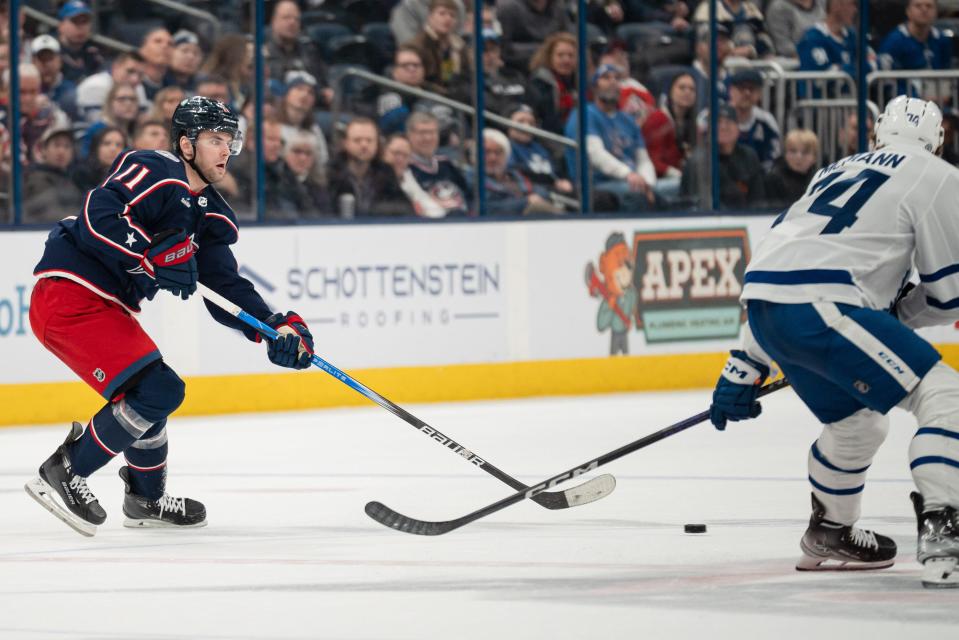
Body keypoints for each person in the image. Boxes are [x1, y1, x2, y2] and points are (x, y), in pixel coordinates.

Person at [25, 96, 315, 537]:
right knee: (159, 389)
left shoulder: (211, 214)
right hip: (70, 292)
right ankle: (66, 470)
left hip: (107, 305)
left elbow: (225, 289)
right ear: (185, 144)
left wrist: (273, 327)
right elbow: (97, 214)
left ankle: (145, 499)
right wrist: (147, 254)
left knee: (149, 395)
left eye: (229, 141)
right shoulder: (154, 168)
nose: (225, 150)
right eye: (214, 139)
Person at [708, 96, 959, 589]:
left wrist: (743, 364)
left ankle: (830, 531)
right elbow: (947, 297)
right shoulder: (937, 174)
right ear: (938, 139)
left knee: (856, 423)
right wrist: (894, 317)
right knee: (946, 398)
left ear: (876, 134)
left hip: (766, 310)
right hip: (826, 307)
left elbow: (783, 266)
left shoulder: (831, 170)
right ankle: (944, 527)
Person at [564, 64, 658, 212]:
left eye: (616, 78)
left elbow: (643, 159)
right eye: (606, 78)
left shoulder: (628, 120)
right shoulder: (584, 114)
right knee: (637, 198)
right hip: (598, 185)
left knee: (669, 193)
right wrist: (628, 174)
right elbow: (596, 155)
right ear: (594, 86)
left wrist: (647, 183)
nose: (613, 81)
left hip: (633, 182)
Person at [681, 104, 765, 208]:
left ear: (738, 129)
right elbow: (697, 205)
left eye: (729, 122)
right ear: (709, 129)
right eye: (718, 122)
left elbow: (758, 199)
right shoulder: (699, 162)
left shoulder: (749, 156)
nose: (723, 127)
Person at [327, 118, 414, 218]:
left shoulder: (386, 172)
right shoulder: (330, 173)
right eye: (357, 140)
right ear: (345, 143)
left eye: (369, 140)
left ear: (377, 144)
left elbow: (404, 207)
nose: (364, 145)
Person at [797, 0, 876, 98]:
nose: (855, 10)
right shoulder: (812, 39)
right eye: (852, 4)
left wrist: (842, 69)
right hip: (822, 109)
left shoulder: (852, 36)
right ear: (837, 4)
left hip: (852, 105)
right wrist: (854, 69)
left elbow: (873, 62)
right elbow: (821, 80)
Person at [878, 0, 952, 98]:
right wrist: (915, 99)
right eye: (918, 6)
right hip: (904, 104)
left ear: (936, 11)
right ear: (908, 11)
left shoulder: (942, 40)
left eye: (929, 6)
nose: (924, 9)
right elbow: (886, 80)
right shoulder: (893, 42)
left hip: (938, 102)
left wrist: (944, 95)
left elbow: (947, 72)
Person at [642, 72, 697, 202]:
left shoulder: (692, 124)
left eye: (692, 89)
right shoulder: (658, 119)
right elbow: (651, 161)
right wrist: (680, 175)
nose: (687, 92)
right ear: (670, 92)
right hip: (656, 181)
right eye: (682, 88)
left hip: (678, 179)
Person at [265, 0, 332, 108]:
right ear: (274, 22)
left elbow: (324, 81)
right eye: (286, 18)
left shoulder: (310, 51)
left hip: (314, 108)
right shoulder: (263, 52)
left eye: (296, 19)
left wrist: (328, 91)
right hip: (278, 109)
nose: (292, 22)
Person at [482, 128, 561, 215]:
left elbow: (541, 191)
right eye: (487, 152)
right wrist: (525, 202)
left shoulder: (515, 174)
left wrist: (535, 198)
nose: (493, 158)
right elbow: (489, 208)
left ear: (506, 156)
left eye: (498, 152)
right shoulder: (472, 179)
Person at [406, 111, 471, 216]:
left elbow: (469, 196)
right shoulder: (405, 168)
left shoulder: (446, 163)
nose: (427, 138)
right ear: (409, 135)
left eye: (432, 132)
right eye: (422, 133)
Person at [507, 104, 574, 196]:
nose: (527, 126)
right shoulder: (506, 147)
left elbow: (558, 171)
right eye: (520, 122)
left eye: (531, 123)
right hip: (533, 191)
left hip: (557, 190)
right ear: (508, 124)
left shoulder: (543, 146)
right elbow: (514, 172)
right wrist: (553, 182)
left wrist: (565, 181)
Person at [725, 69, 782, 172]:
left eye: (752, 89)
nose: (747, 93)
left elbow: (774, 157)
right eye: (741, 88)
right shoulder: (716, 117)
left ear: (760, 93)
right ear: (731, 90)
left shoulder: (766, 121)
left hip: (757, 178)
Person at [23, 126, 82, 224]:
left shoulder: (73, 179)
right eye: (56, 145)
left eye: (67, 146)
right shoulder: (37, 178)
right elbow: (49, 213)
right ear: (44, 150)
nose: (61, 151)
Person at [382, 133, 446, 218]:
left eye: (405, 155)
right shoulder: (373, 178)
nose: (400, 159)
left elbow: (434, 210)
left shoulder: (407, 176)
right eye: (396, 153)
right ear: (382, 152)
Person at [498, 0, 572, 72]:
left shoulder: (558, 9)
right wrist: (545, 50)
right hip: (518, 72)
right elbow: (504, 49)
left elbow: (568, 43)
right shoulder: (509, 8)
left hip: (553, 72)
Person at [406, 0, 466, 90]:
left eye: (452, 15)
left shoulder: (459, 46)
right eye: (442, 13)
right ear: (430, 17)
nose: (448, 19)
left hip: (455, 96)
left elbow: (465, 77)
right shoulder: (417, 45)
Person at [76, 51, 147, 124]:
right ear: (115, 68)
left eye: (140, 75)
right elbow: (97, 124)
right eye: (130, 71)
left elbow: (142, 121)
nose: (135, 79)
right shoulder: (95, 86)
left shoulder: (139, 88)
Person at [528, 32, 578, 135]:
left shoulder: (580, 83)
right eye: (560, 55)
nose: (566, 60)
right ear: (549, 57)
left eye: (571, 55)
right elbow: (548, 123)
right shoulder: (540, 84)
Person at [692, 0, 774, 59]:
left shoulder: (752, 10)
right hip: (721, 64)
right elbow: (704, 43)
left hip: (753, 63)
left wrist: (751, 50)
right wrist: (731, 51)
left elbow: (765, 40)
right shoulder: (707, 9)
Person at [763, 128, 819, 208]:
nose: (798, 157)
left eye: (805, 152)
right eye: (793, 151)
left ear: (815, 158)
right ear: (785, 154)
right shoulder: (772, 179)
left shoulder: (820, 181)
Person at [31, 34, 78, 122]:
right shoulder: (26, 90)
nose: (47, 64)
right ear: (33, 61)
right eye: (42, 59)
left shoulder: (70, 89)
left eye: (50, 58)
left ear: (59, 60)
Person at [56, 0, 104, 84]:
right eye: (75, 21)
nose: (81, 27)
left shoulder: (93, 53)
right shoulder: (52, 52)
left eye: (84, 22)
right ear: (61, 25)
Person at [71, 125, 126, 193]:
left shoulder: (127, 177)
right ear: (96, 147)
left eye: (119, 145)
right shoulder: (81, 174)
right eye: (107, 143)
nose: (113, 149)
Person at [138, 27, 173, 101]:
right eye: (158, 41)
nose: (165, 46)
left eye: (170, 44)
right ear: (142, 48)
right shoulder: (129, 81)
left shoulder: (173, 89)